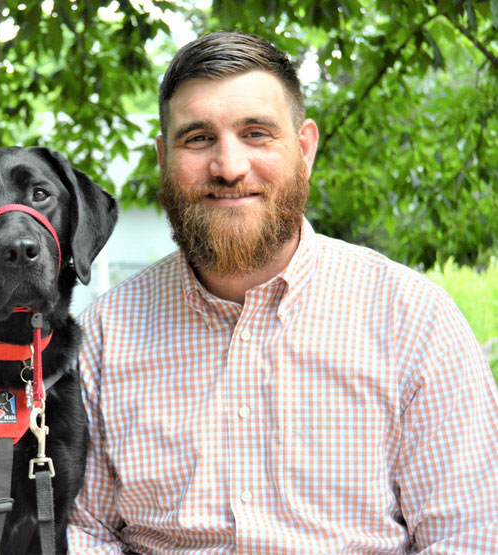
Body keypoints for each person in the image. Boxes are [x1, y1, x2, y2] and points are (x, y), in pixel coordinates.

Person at [66, 30, 498, 553]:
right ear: (164, 158)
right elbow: (84, 532)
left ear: (305, 148)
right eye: (198, 138)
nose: (228, 167)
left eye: (256, 133)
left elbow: (467, 538)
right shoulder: (104, 338)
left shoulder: (414, 322)